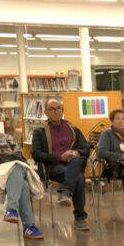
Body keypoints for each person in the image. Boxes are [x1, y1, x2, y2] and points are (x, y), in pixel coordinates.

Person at [0, 105, 43, 240]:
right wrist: (4, 153)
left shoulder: (7, 137)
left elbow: (19, 153)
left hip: (11, 172)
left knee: (18, 170)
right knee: (19, 174)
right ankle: (28, 226)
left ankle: (12, 210)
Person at [30, 98, 90, 232]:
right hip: (54, 167)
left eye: (58, 108)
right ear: (46, 112)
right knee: (79, 178)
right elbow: (36, 154)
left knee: (76, 159)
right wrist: (60, 157)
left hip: (73, 164)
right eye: (52, 109)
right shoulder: (40, 132)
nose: (56, 111)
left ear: (62, 110)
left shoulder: (73, 129)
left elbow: (86, 148)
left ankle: (65, 191)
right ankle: (80, 218)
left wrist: (77, 152)